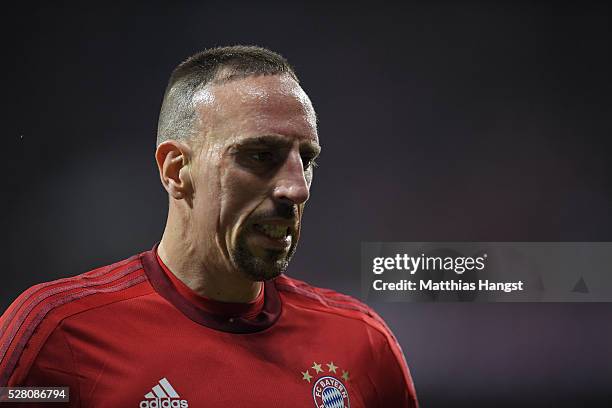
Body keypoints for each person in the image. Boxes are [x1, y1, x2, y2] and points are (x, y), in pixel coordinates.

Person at [0, 46, 418, 407]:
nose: (296, 188)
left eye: (305, 160)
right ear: (177, 170)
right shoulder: (57, 334)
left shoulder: (361, 342)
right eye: (259, 155)